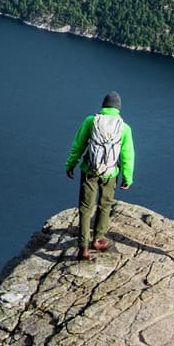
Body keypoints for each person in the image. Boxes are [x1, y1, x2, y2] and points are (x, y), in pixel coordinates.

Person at [65, 92, 134, 260]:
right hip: (110, 173)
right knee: (105, 205)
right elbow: (127, 155)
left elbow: (78, 145)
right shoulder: (124, 127)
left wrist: (70, 164)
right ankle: (97, 239)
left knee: (85, 208)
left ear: (103, 105)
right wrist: (127, 177)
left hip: (90, 170)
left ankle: (83, 247)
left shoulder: (91, 121)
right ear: (118, 108)